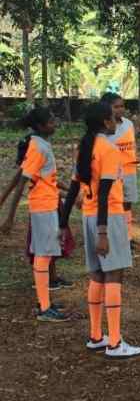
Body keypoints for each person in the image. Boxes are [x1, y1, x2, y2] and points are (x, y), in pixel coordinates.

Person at [60, 102, 140, 358]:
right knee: (114, 276)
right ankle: (115, 342)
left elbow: (74, 188)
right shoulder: (108, 150)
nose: (114, 121)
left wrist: (63, 223)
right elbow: (106, 194)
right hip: (108, 218)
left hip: (88, 215)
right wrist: (104, 233)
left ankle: (96, 335)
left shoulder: (85, 147)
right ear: (105, 123)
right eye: (111, 118)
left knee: (97, 274)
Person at [0, 108, 70, 322]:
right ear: (40, 126)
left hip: (47, 204)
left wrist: (70, 192)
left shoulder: (41, 144)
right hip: (43, 207)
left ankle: (45, 302)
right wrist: (9, 217)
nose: (54, 124)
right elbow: (22, 181)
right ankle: (44, 307)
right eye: (51, 121)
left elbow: (46, 178)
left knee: (45, 253)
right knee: (43, 255)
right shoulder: (38, 147)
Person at [101, 93, 140, 249]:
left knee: (127, 203)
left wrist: (134, 157)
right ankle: (114, 235)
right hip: (113, 173)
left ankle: (128, 236)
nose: (120, 110)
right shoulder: (106, 128)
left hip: (129, 171)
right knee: (114, 204)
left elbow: (131, 145)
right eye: (116, 107)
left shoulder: (128, 124)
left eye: (122, 106)